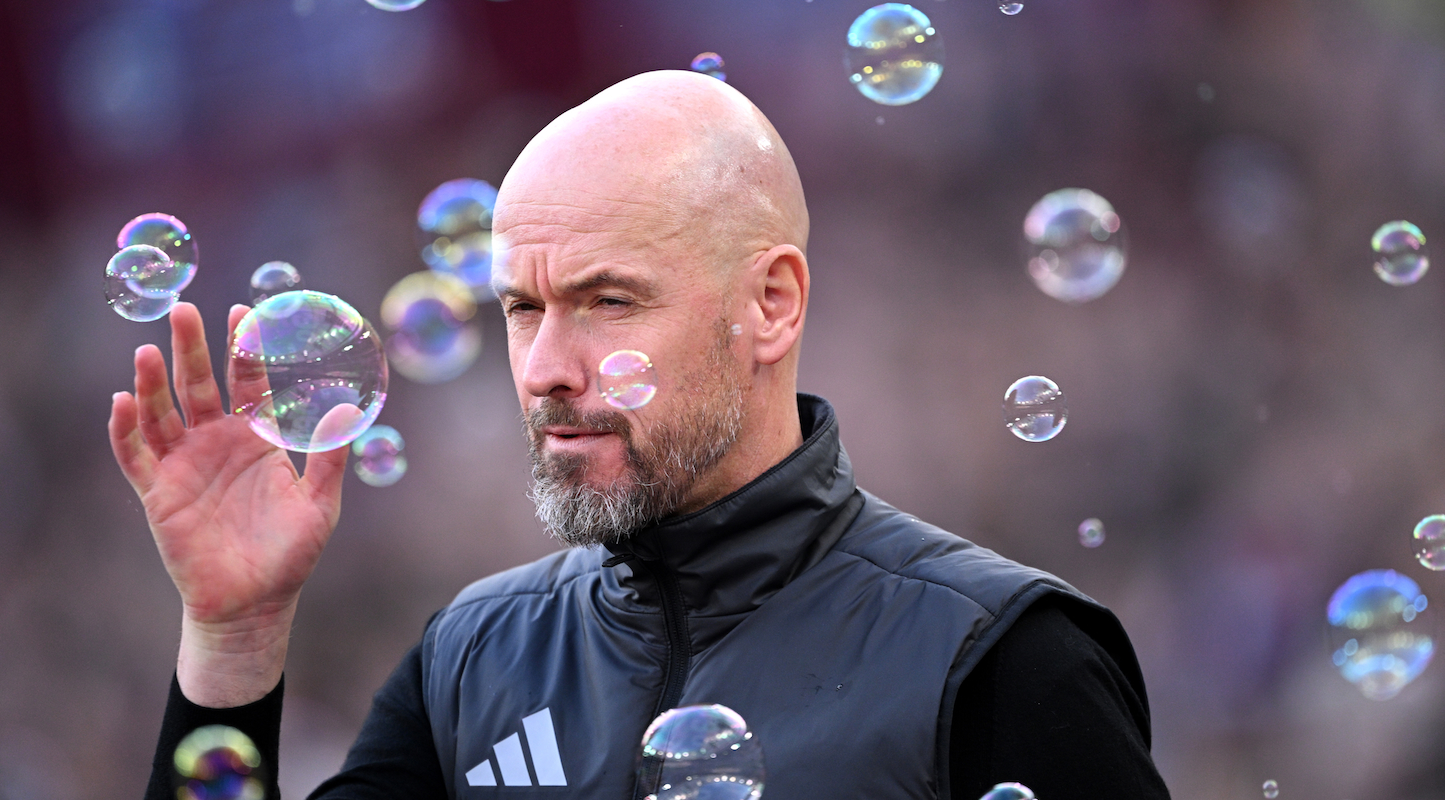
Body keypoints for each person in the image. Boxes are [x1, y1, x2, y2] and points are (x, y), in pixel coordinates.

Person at [110, 71, 1171, 799]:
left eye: (609, 299)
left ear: (770, 303)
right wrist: (235, 635)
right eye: (524, 307)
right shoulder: (471, 661)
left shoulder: (999, 657)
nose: (544, 367)